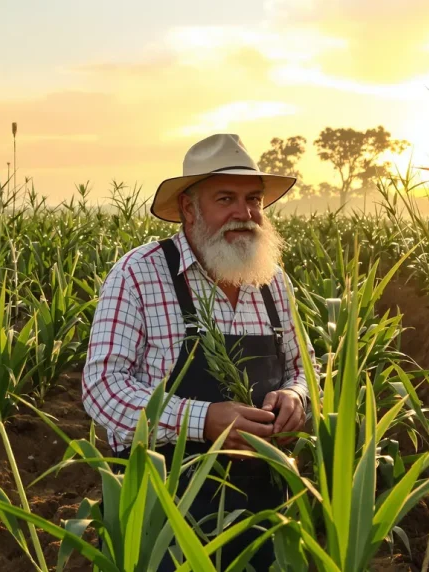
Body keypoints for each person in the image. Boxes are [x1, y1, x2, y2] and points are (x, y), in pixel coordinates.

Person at [82, 133, 317, 570]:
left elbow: (302, 369)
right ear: (189, 208)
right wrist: (202, 420)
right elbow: (102, 389)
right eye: (225, 198)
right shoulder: (139, 274)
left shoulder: (272, 282)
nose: (244, 214)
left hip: (264, 510)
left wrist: (296, 398)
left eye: (253, 199)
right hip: (165, 510)